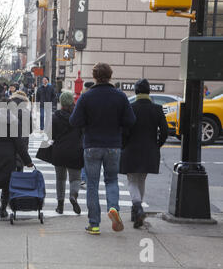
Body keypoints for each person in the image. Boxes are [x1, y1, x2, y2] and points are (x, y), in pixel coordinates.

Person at [70, 63, 136, 236]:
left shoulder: (86, 97)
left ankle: (94, 224)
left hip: (92, 145)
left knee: (92, 185)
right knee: (111, 180)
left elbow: (74, 121)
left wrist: (87, 124)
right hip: (113, 145)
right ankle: (113, 208)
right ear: (110, 75)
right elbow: (130, 120)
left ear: (94, 76)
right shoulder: (120, 96)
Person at [120, 79, 168, 229]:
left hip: (131, 149)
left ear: (135, 92)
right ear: (148, 91)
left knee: (132, 180)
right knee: (141, 180)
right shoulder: (157, 109)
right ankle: (136, 212)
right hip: (150, 150)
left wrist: (124, 144)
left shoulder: (130, 108)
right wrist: (157, 144)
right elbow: (165, 132)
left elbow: (124, 130)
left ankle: (137, 207)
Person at [0, 97, 34, 219]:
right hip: (9, 156)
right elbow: (19, 144)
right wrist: (27, 161)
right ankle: (3, 209)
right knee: (7, 183)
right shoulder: (15, 121)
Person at [51, 92, 84, 215]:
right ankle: (73, 195)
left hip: (59, 151)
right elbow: (83, 133)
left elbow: (51, 135)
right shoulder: (78, 117)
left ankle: (60, 206)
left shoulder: (55, 116)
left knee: (60, 179)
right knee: (75, 178)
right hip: (75, 151)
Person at [10, 91, 33, 172]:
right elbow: (30, 130)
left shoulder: (8, 109)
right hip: (23, 141)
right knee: (20, 167)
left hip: (9, 142)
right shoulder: (26, 111)